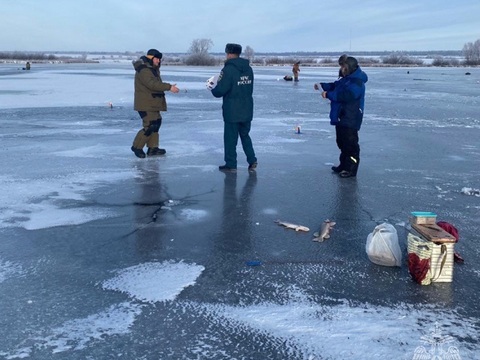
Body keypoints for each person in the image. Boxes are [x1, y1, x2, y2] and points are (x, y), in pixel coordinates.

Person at [314, 56, 368, 178]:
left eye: (344, 67)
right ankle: (343, 165)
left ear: (351, 68)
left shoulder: (357, 82)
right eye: (342, 67)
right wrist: (322, 85)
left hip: (351, 117)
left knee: (350, 145)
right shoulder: (346, 80)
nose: (342, 69)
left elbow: (347, 95)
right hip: (341, 116)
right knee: (342, 142)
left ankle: (351, 169)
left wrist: (328, 95)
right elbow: (335, 86)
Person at [209, 43, 257, 173]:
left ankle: (231, 164)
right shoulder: (249, 69)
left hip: (232, 110)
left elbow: (221, 90)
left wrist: (212, 88)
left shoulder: (228, 70)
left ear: (229, 53)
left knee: (230, 139)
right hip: (247, 109)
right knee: (245, 135)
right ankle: (252, 160)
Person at [131, 49, 179, 158]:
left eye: (159, 59)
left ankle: (153, 148)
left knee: (156, 123)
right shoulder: (144, 70)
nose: (159, 61)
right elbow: (152, 84)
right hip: (145, 103)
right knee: (150, 125)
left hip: (152, 102)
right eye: (157, 59)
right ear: (151, 58)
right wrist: (169, 87)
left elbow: (155, 84)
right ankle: (137, 147)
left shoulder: (152, 69)